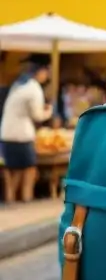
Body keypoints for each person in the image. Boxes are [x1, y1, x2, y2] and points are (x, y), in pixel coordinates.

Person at [0, 61, 53, 203]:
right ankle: (27, 201)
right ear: (40, 72)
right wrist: (48, 112)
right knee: (29, 171)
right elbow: (37, 115)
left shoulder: (18, 85)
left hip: (6, 133)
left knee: (13, 172)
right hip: (22, 135)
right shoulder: (34, 88)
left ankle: (11, 203)